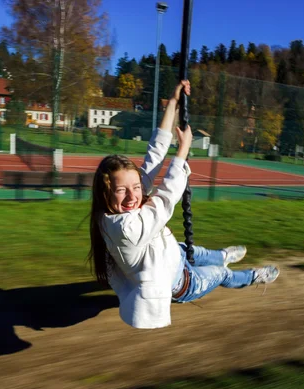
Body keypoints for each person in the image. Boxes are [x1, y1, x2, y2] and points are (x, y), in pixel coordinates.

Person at [88, 80, 279, 329]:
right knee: (221, 275)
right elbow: (167, 197)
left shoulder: (115, 208)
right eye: (121, 190)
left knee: (200, 252)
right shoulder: (125, 227)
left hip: (172, 252)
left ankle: (222, 256)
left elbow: (154, 156)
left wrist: (173, 103)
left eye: (135, 187)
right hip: (182, 282)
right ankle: (253, 276)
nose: (132, 196)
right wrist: (183, 150)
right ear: (106, 193)